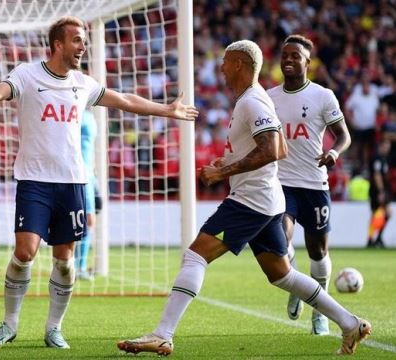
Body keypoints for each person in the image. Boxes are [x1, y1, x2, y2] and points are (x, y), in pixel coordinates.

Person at [0, 15, 198, 350]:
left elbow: (125, 101)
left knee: (64, 259)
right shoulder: (27, 75)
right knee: (25, 251)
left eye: (84, 40)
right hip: (34, 181)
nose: (83, 46)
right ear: (58, 44)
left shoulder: (84, 83)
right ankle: (9, 323)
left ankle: (54, 328)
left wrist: (167, 110)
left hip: (72, 183)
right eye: (77, 39)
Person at [117, 40, 370, 357]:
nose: (221, 68)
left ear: (239, 63)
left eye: (225, 61)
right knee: (283, 275)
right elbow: (280, 148)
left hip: (251, 200)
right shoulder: (253, 100)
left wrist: (225, 172)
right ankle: (349, 323)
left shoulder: (252, 102)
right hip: (265, 200)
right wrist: (231, 161)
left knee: (196, 256)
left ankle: (163, 334)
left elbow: (273, 150)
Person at [266, 34, 352, 336]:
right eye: (284, 55)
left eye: (295, 56)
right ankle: (298, 285)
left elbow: (343, 136)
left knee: (317, 252)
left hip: (315, 185)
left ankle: (319, 312)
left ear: (307, 63)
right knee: (281, 242)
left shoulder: (323, 96)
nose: (288, 60)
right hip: (282, 183)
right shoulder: (269, 97)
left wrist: (333, 152)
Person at [74, 109, 97, 280]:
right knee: (87, 220)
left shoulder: (88, 116)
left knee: (85, 220)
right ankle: (78, 267)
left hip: (88, 174)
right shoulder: (78, 113)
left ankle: (77, 266)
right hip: (79, 173)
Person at [367, 139, 392, 248]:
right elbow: (377, 175)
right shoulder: (377, 158)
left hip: (381, 190)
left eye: (388, 147)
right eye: (385, 146)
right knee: (380, 214)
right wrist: (381, 191)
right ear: (381, 146)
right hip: (376, 191)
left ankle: (376, 238)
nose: (387, 149)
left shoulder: (383, 159)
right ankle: (373, 239)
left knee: (384, 214)